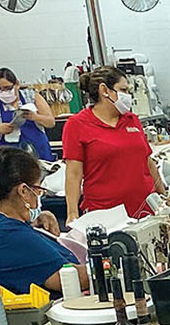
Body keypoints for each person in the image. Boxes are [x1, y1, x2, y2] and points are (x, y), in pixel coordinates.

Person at [0, 146, 79, 295]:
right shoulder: (9, 235)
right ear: (24, 191)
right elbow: (69, 279)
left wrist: (36, 217)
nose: (39, 195)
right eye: (38, 190)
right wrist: (110, 266)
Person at [60, 66, 157, 221]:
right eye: (123, 90)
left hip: (145, 210)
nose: (128, 95)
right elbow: (73, 174)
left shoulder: (132, 120)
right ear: (104, 90)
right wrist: (72, 213)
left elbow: (148, 161)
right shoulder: (77, 124)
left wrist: (164, 198)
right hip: (105, 215)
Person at [0, 68, 56, 160]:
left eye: (7, 88)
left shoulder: (32, 97)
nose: (4, 92)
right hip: (8, 156)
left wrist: (35, 117)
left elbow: (51, 122)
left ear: (17, 84)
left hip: (39, 151)